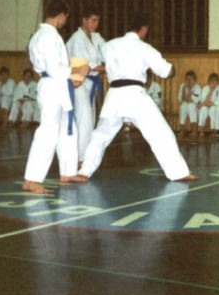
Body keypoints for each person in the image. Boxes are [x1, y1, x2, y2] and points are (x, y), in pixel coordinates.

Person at [79, 13, 197, 182]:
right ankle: (178, 172)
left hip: (114, 95)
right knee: (160, 133)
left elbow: (99, 55)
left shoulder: (109, 45)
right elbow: (166, 71)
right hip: (135, 95)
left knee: (100, 135)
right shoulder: (144, 48)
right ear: (143, 29)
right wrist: (172, 70)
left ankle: (84, 171)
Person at [22, 0, 89, 193]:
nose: (65, 21)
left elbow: (56, 69)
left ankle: (68, 172)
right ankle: (31, 179)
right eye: (65, 17)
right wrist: (77, 71)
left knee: (69, 128)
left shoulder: (44, 35)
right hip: (52, 85)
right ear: (60, 15)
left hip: (57, 84)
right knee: (48, 131)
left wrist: (72, 77)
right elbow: (54, 68)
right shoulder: (47, 36)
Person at [66, 9, 106, 162]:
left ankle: (86, 157)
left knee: (91, 120)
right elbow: (86, 66)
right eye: (93, 20)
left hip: (91, 84)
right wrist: (109, 68)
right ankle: (79, 160)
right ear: (84, 20)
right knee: (85, 120)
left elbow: (107, 51)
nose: (96, 24)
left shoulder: (96, 37)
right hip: (78, 83)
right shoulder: (77, 38)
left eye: (98, 21)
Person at [177, 71, 201, 135]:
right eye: (187, 79)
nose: (189, 81)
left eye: (191, 79)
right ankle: (182, 130)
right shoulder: (183, 86)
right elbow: (181, 100)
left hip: (195, 107)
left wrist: (189, 89)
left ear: (195, 80)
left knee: (191, 106)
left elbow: (192, 100)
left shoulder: (197, 87)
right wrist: (184, 89)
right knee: (182, 107)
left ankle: (194, 130)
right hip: (186, 104)